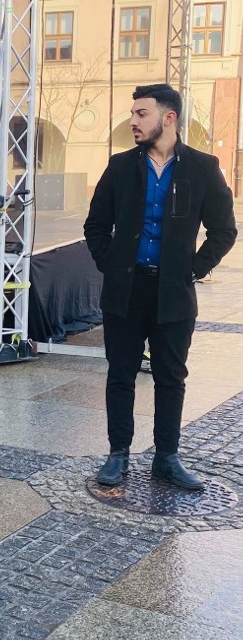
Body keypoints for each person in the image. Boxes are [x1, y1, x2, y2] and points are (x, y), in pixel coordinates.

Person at [84, 84, 237, 490]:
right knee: (121, 374)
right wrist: (113, 266)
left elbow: (224, 230)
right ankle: (118, 456)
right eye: (133, 114)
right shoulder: (120, 167)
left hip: (173, 295)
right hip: (125, 292)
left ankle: (166, 458)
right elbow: (95, 226)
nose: (133, 121)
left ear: (168, 118)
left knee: (171, 377)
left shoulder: (203, 167)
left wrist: (193, 270)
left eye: (141, 114)